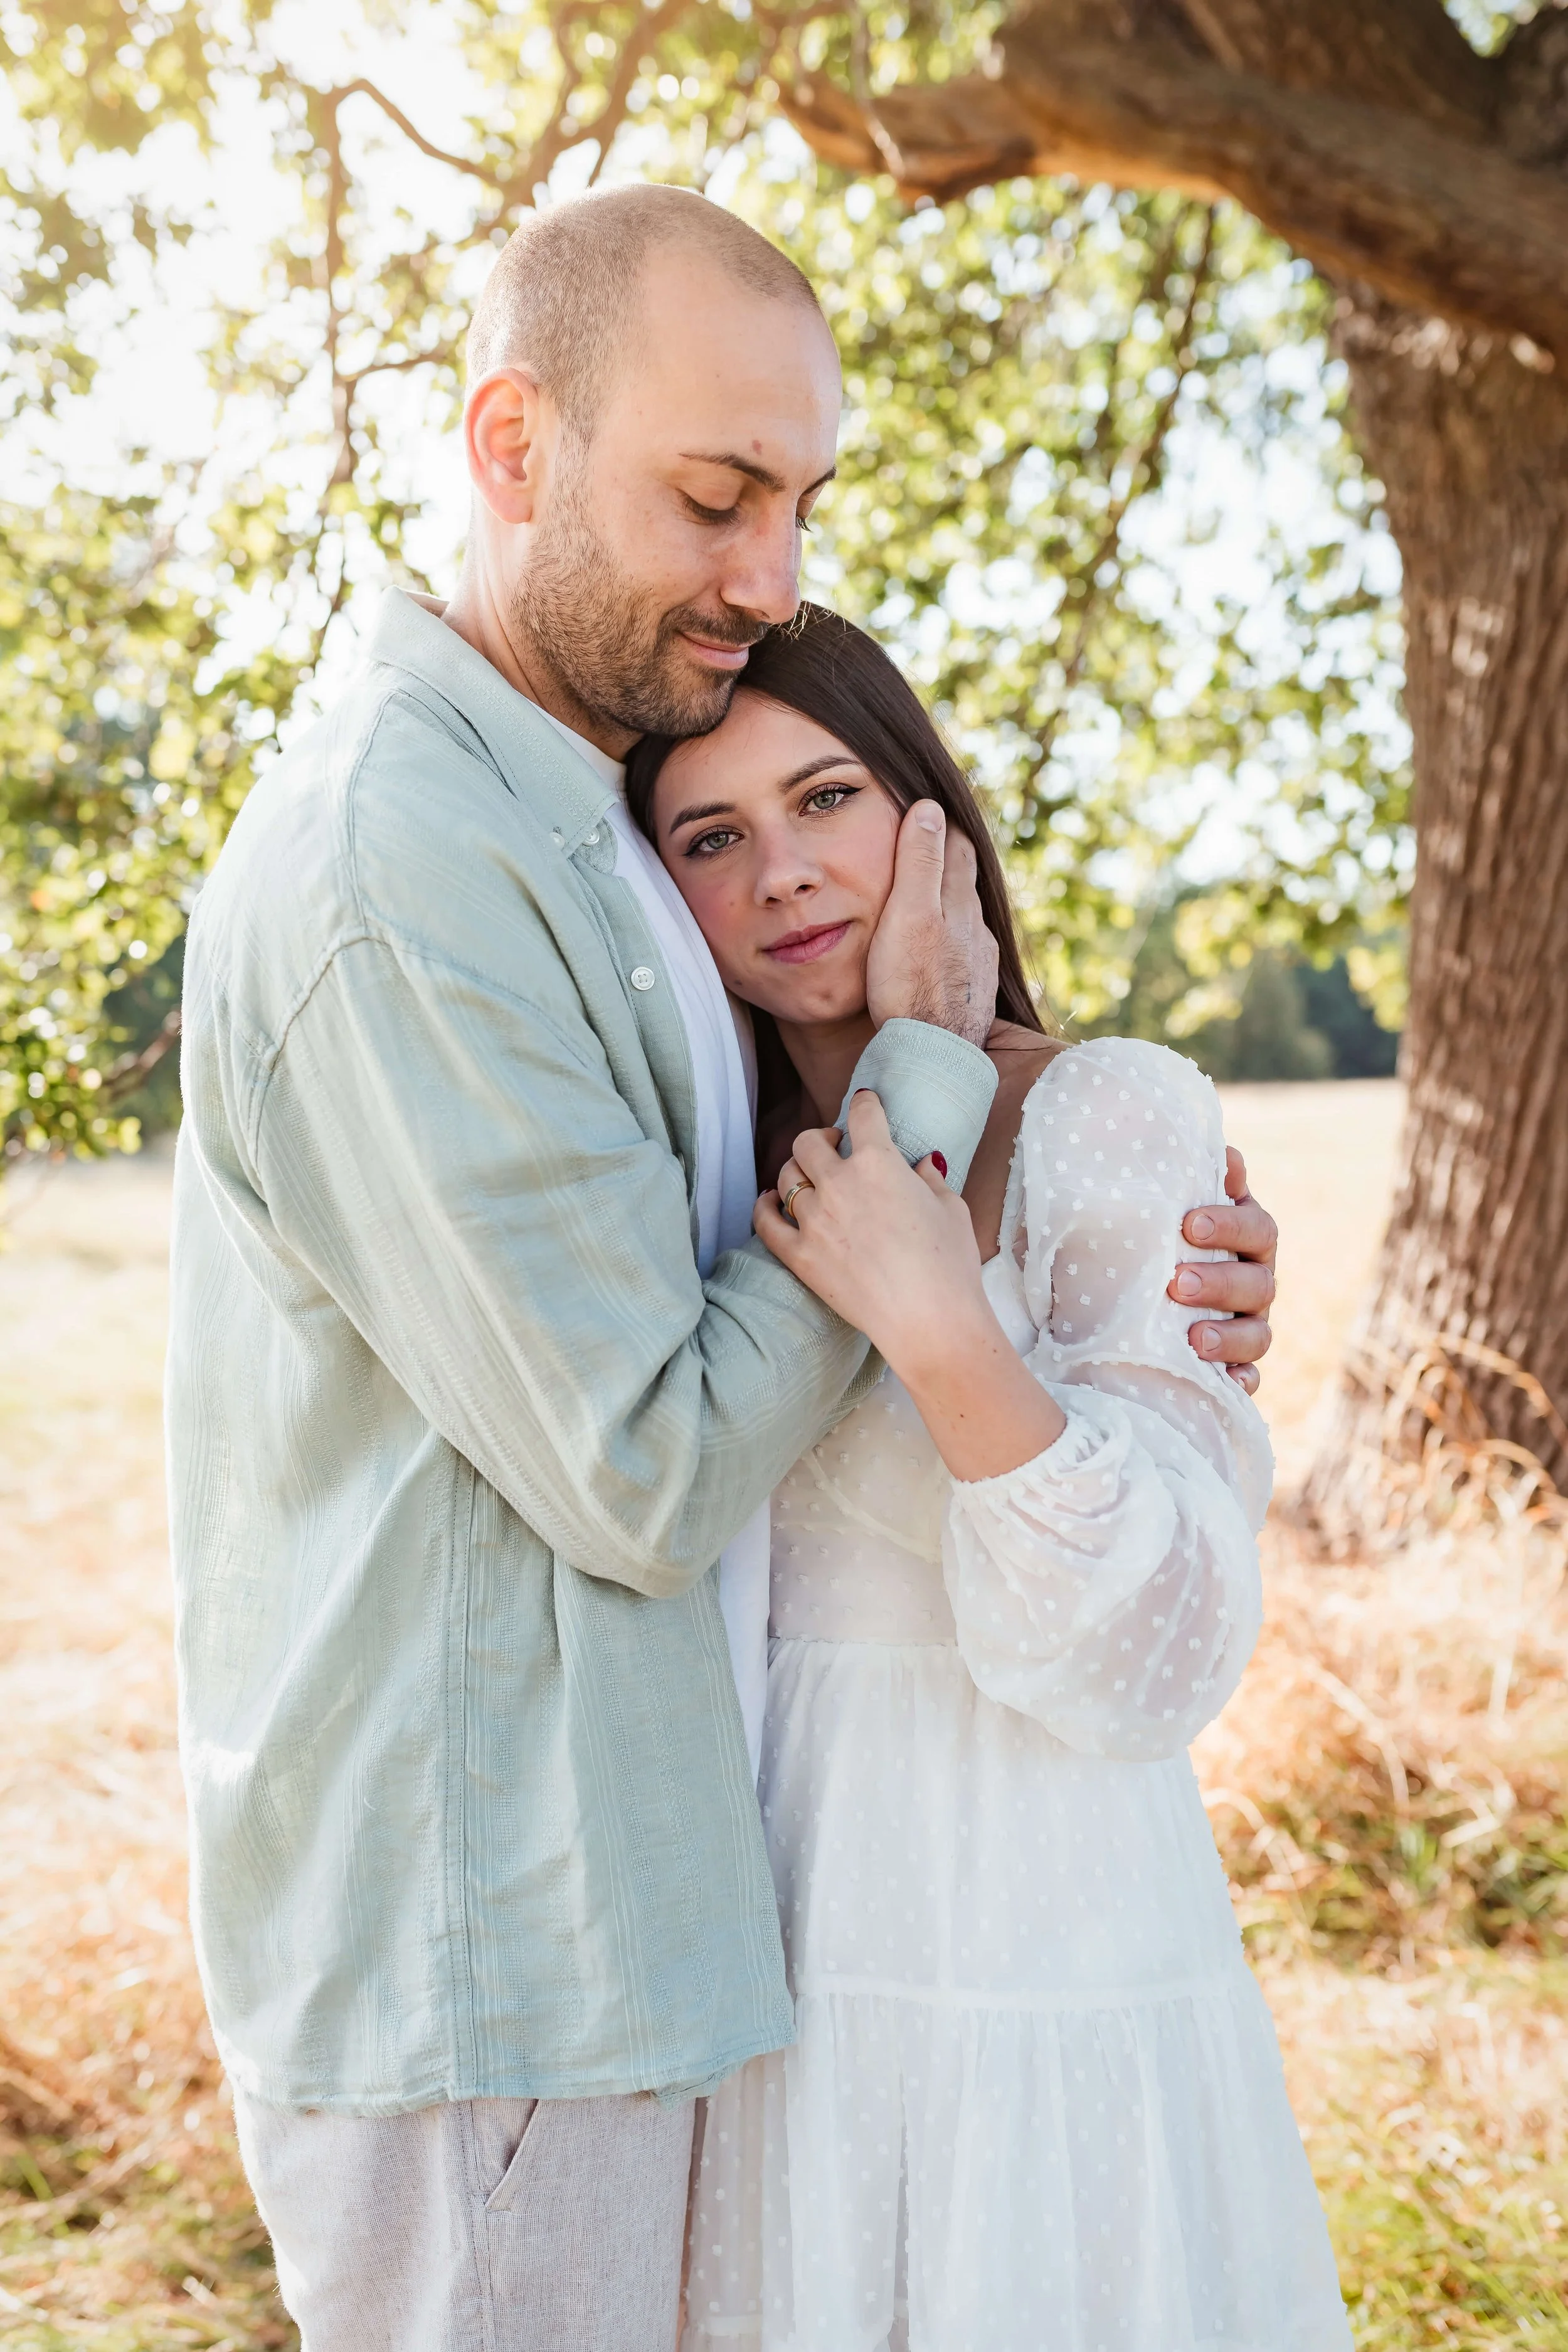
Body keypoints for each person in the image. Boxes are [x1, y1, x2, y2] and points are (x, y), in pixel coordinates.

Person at [166, 188, 1279, 2352]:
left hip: (752, 1958)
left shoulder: (568, 814)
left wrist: (1124, 1237)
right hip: (500, 1960)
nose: (770, 578)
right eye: (712, 494)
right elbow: (654, 1458)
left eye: (799, 501)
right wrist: (936, 1105)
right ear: (511, 445)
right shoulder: (415, 861)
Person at [626, 606, 1347, 2351]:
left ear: (930, 819)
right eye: (711, 838)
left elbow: (1151, 1649)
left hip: (1035, 1920)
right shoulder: (686, 1166)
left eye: (827, 799)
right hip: (764, 1928)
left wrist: (940, 1318)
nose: (785, 872)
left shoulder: (1104, 1114)